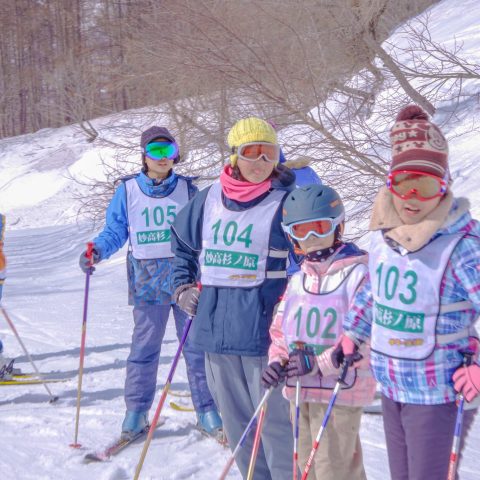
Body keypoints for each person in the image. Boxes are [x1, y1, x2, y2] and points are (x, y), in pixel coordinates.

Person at [333, 105, 480, 480]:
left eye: (426, 185)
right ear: (390, 185)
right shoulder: (386, 239)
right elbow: (373, 294)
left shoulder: (462, 244)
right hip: (392, 383)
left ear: (444, 187)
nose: (413, 197)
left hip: (438, 390)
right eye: (403, 184)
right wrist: (352, 335)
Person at [78, 126, 222, 440]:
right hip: (147, 281)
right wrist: (97, 250)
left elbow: (206, 231)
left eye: (168, 151)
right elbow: (115, 230)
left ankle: (208, 410)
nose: (162, 158)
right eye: (155, 151)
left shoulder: (188, 190)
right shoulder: (128, 190)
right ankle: (136, 412)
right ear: (144, 156)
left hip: (185, 279)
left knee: (196, 348)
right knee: (145, 348)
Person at [171, 117, 295, 479]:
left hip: (264, 337)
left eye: (269, 153)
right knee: (239, 429)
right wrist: (182, 288)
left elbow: (312, 257)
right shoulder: (208, 199)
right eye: (251, 152)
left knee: (276, 429)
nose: (260, 161)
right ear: (234, 155)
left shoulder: (286, 201)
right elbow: (180, 246)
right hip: (215, 335)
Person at [263, 184, 376, 480]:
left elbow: (364, 336)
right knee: (306, 467)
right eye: (301, 230)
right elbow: (281, 331)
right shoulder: (298, 281)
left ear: (338, 226)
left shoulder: (358, 276)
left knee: (333, 469)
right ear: (291, 236)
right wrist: (277, 361)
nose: (311, 237)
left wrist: (319, 363)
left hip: (340, 391)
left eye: (319, 227)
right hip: (300, 389)